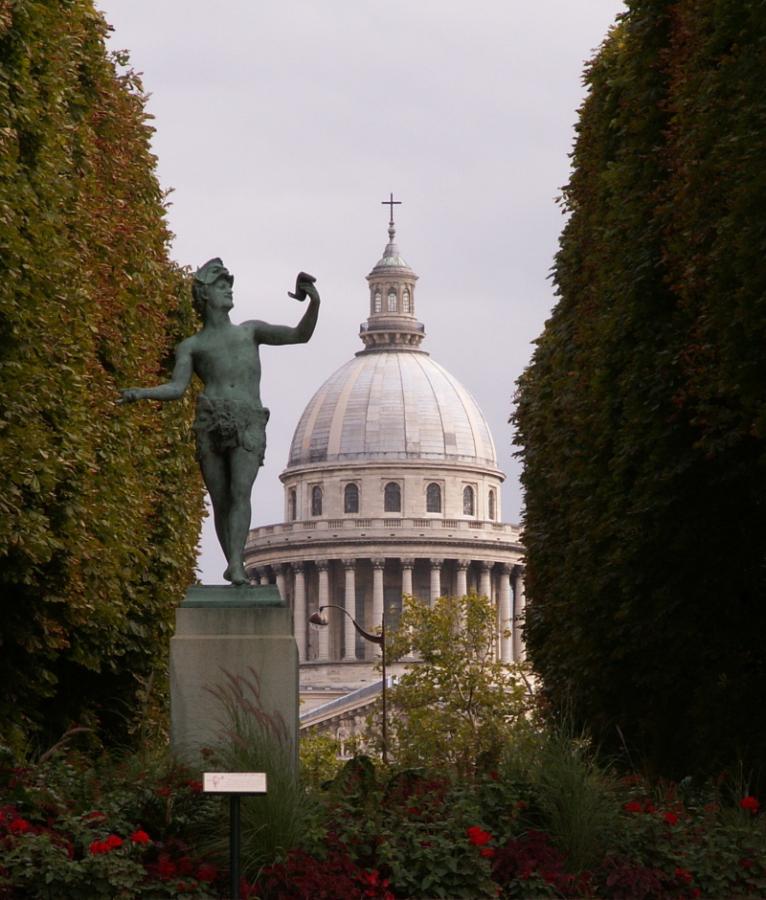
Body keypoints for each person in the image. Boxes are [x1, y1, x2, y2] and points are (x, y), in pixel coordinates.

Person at [120, 258, 320, 585]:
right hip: (210, 420)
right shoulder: (192, 346)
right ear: (205, 295)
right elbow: (176, 388)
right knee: (220, 500)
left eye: (229, 285)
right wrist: (141, 393)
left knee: (240, 492)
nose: (229, 290)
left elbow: (300, 335)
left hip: (246, 420)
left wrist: (314, 302)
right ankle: (232, 561)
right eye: (221, 286)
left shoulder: (250, 331)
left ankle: (237, 564)